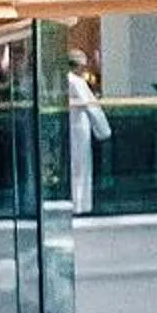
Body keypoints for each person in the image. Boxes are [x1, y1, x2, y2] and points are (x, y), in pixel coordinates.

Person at [63, 49, 109, 215]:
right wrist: (104, 130)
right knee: (81, 166)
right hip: (78, 128)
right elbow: (91, 106)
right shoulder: (76, 82)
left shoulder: (63, 80)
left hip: (69, 127)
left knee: (74, 166)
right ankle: (80, 203)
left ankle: (75, 202)